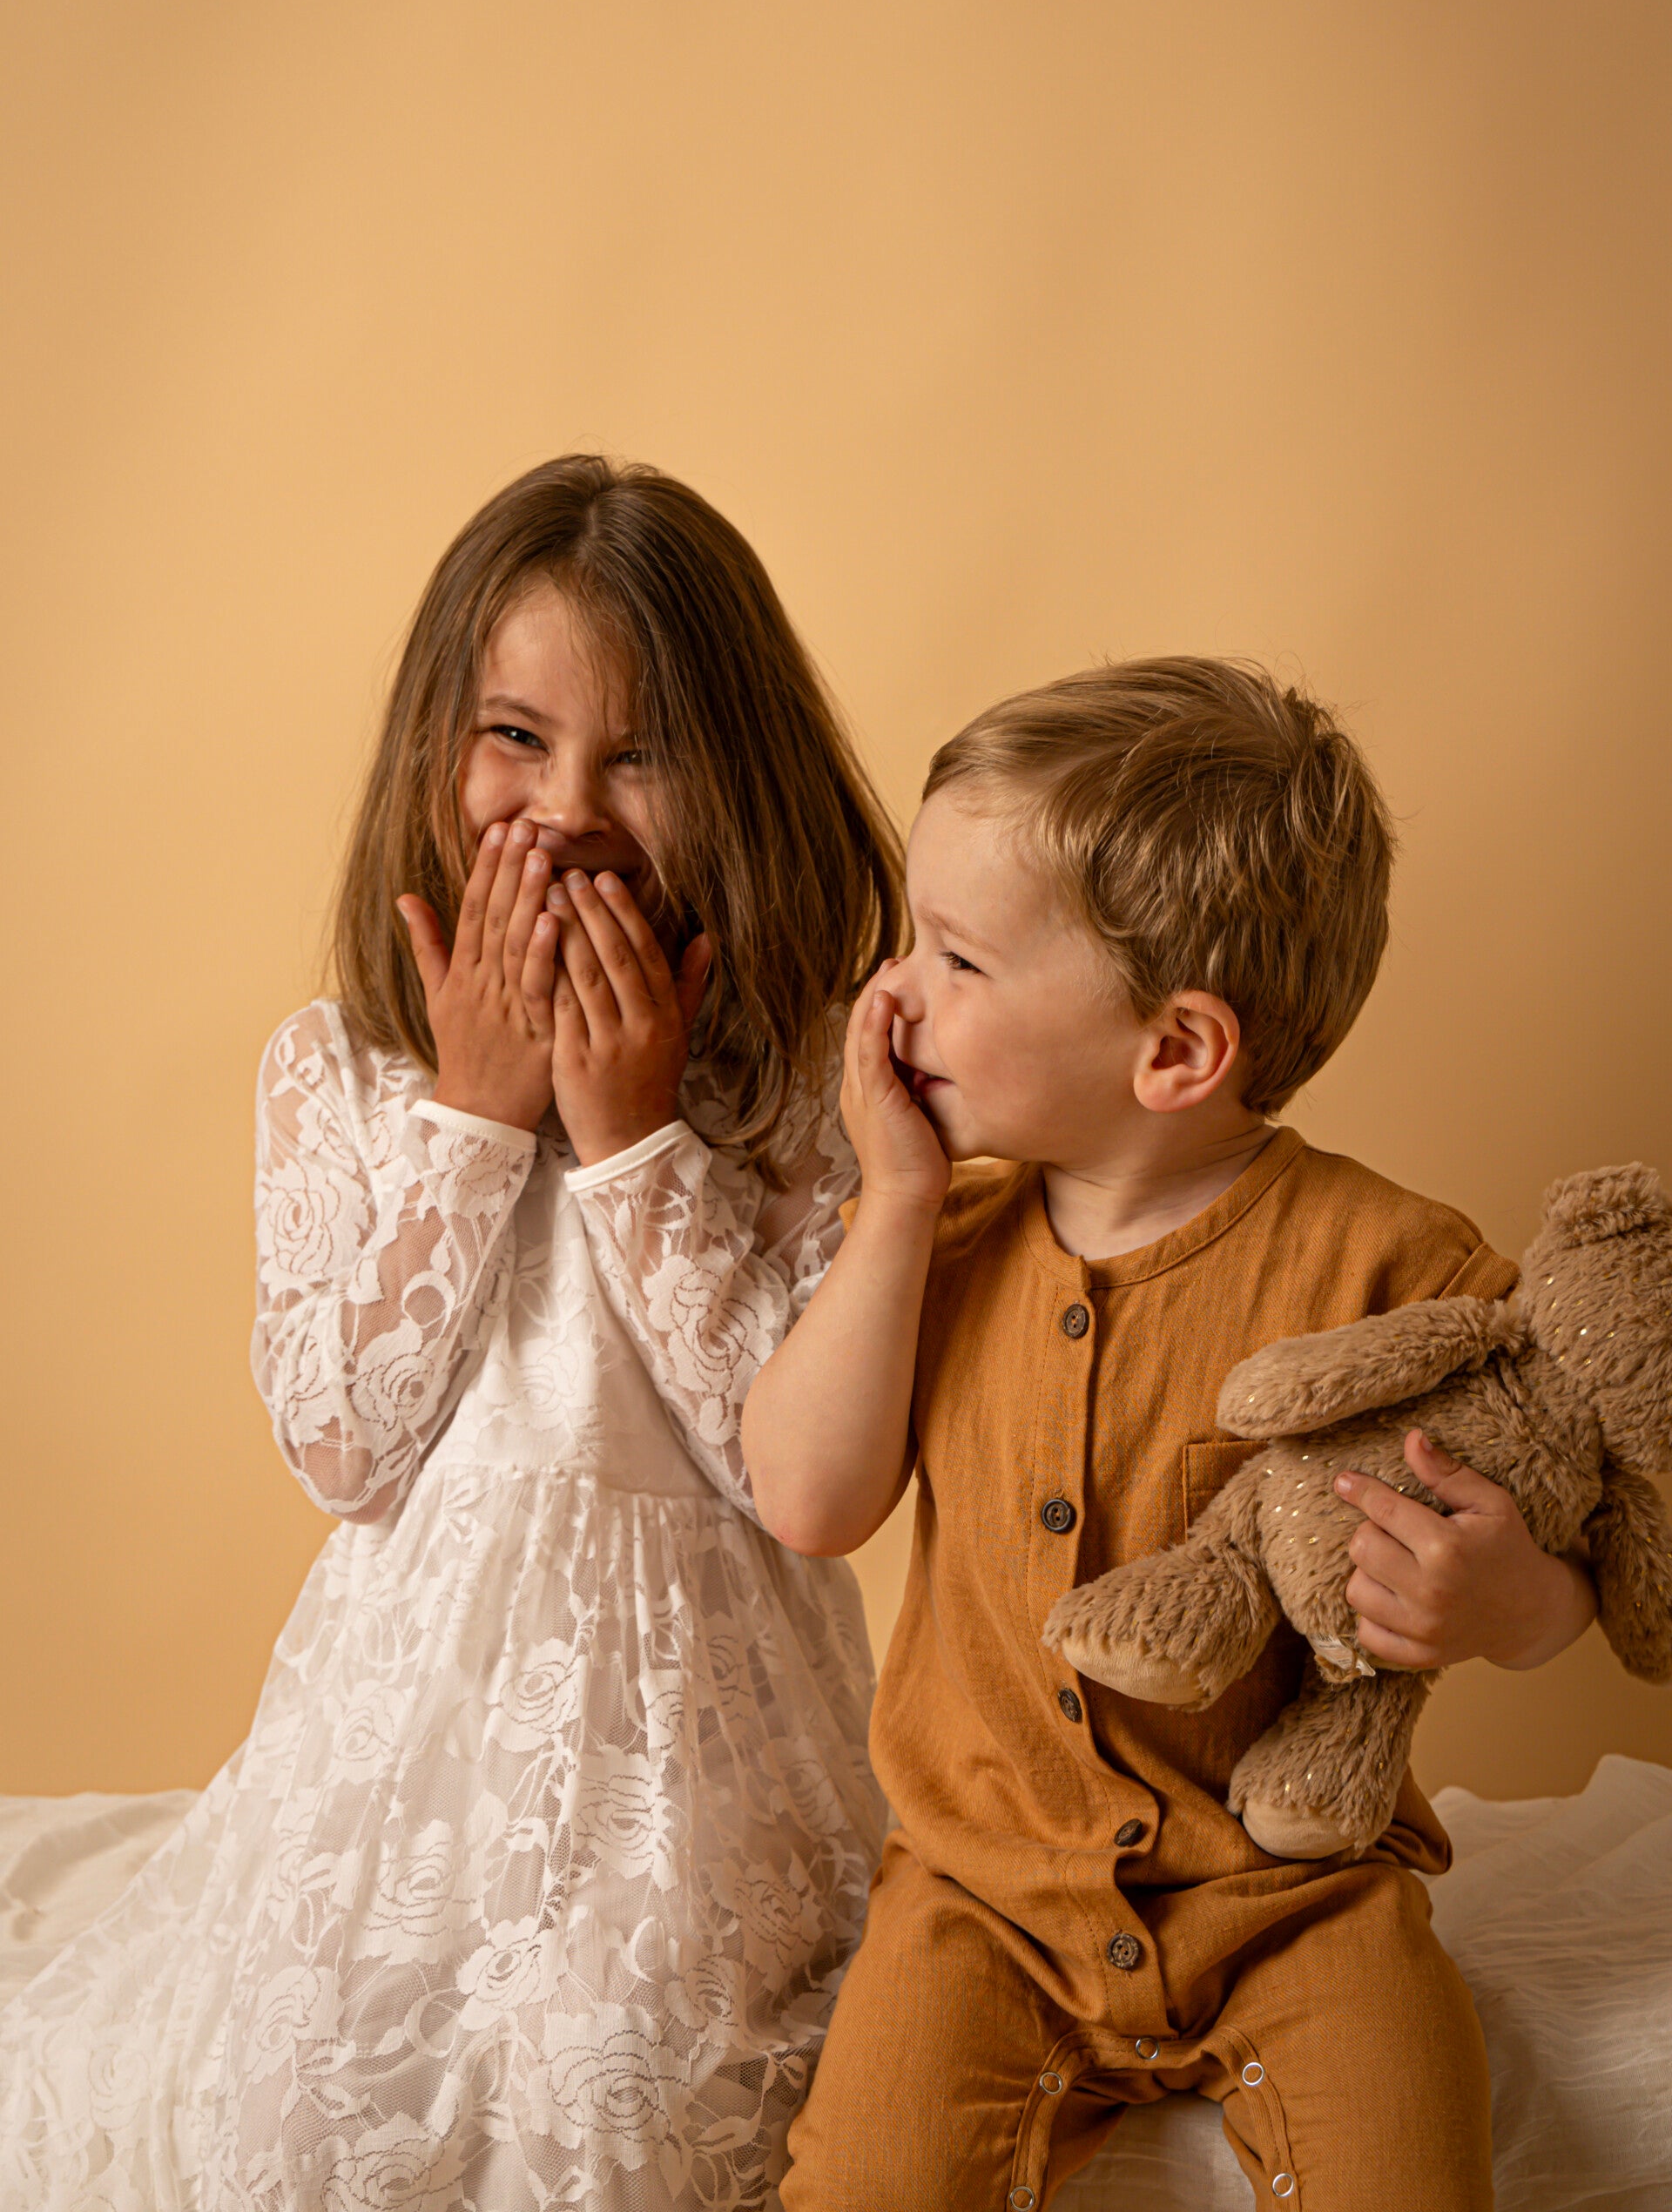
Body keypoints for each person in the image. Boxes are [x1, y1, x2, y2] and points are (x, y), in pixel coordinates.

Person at [0, 456, 898, 2210]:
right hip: (406, 1728)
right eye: (517, 737)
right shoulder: (336, 1073)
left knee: (611, 2063)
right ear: (436, 747)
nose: (564, 808)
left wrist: (636, 1134)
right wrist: (479, 1120)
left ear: (736, 774)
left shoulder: (804, 1090)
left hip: (696, 1751)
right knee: (303, 2093)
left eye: (636, 754)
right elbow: (342, 1445)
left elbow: (785, 1466)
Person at [742, 658, 1599, 2212]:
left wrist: (1507, 1603)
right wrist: (900, 1203)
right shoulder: (941, 1232)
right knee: (865, 2179)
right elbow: (806, 1496)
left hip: (1297, 1895)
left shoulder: (1397, 1270)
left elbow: (1568, 1543)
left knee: (1410, 2165)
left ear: (1177, 1052)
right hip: (979, 1892)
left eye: (957, 959)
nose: (893, 993)